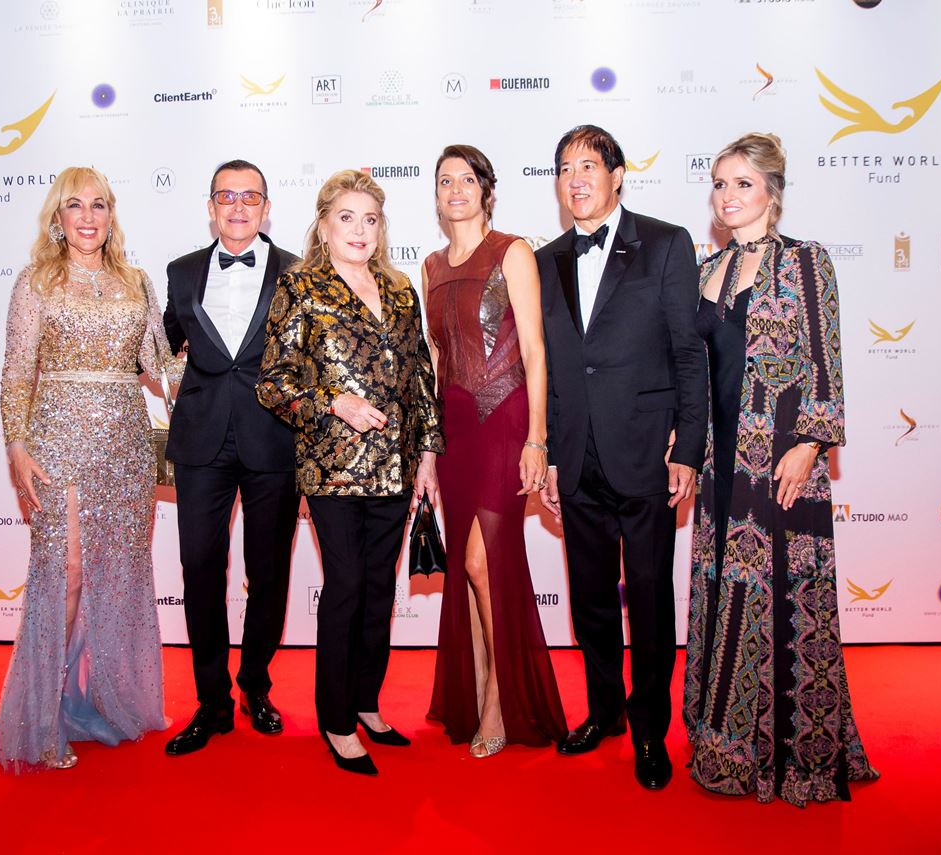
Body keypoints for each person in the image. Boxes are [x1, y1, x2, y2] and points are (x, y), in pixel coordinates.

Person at [682, 132, 879, 806]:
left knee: (781, 601)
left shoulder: (805, 261)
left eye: (743, 183)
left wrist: (813, 443)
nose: (728, 196)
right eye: (718, 183)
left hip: (781, 461)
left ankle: (792, 756)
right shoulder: (707, 271)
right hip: (719, 463)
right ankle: (724, 742)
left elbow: (826, 359)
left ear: (772, 192)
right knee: (724, 592)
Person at [0, 166, 183, 771]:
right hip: (60, 441)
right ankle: (43, 716)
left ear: (111, 214)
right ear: (58, 216)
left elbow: (159, 365)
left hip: (125, 444)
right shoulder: (36, 283)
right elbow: (18, 371)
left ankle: (105, 697)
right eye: (75, 206)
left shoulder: (137, 282)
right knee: (67, 574)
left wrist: (219, 361)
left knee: (117, 576)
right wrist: (17, 445)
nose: (88, 217)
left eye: (99, 205)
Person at [535, 125, 708, 790]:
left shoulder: (665, 243)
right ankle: (603, 710)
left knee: (649, 599)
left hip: (646, 453)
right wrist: (548, 452)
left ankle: (648, 730)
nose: (575, 177)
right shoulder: (546, 257)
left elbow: (688, 353)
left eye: (588, 165)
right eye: (564, 168)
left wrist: (687, 445)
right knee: (590, 601)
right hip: (575, 457)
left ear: (617, 174)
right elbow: (547, 368)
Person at [257, 169, 443, 775]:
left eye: (371, 219)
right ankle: (335, 719)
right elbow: (274, 382)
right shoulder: (301, 287)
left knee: (377, 590)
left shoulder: (399, 291)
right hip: (332, 469)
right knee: (344, 588)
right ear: (323, 224)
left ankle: (365, 701)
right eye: (347, 217)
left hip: (395, 466)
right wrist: (332, 402)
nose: (360, 230)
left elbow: (420, 379)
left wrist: (429, 455)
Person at [422, 145, 565, 757]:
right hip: (453, 427)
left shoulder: (514, 251)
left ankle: (499, 703)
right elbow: (434, 358)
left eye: (468, 179)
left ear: (487, 189)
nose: (457, 189)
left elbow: (534, 351)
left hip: (504, 419)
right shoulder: (429, 265)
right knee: (466, 568)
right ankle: (483, 685)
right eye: (445, 181)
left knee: (485, 565)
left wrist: (538, 437)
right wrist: (428, 447)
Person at [160, 160, 301, 756]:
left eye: (250, 197)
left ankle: (255, 686)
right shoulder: (181, 271)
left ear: (266, 207)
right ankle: (211, 700)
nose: (238, 207)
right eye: (226, 196)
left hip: (274, 439)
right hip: (200, 443)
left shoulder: (299, 271)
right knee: (199, 571)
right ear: (211, 206)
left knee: (268, 575)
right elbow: (169, 337)